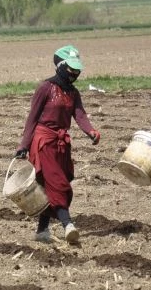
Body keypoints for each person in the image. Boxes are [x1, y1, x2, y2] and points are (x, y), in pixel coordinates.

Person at [15, 45, 101, 245]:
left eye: (77, 69)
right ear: (61, 66)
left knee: (51, 185)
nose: (75, 73)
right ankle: (68, 225)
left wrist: (91, 131)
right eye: (71, 69)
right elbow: (32, 118)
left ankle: (42, 230)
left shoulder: (73, 92)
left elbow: (80, 115)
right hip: (44, 141)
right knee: (57, 184)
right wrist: (24, 145)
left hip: (62, 144)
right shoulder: (45, 88)